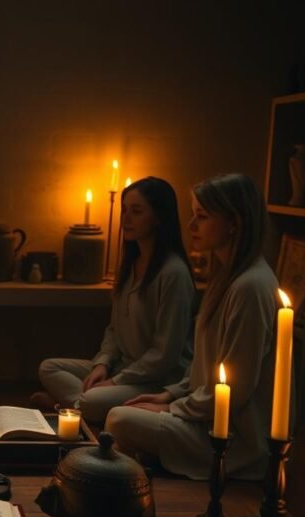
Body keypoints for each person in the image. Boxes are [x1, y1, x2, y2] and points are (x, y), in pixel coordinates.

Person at [105, 173, 277, 480]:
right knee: (125, 415)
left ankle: (157, 459)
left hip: (228, 433)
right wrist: (169, 395)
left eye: (203, 216)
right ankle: (148, 459)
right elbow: (203, 366)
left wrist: (174, 409)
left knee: (118, 418)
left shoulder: (250, 287)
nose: (191, 226)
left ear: (233, 223)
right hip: (202, 411)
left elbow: (235, 388)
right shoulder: (225, 277)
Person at [32, 177, 194, 425]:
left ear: (159, 217)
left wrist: (116, 381)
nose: (126, 218)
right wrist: (102, 365)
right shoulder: (130, 265)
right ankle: (77, 407)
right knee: (49, 368)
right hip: (122, 368)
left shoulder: (173, 273)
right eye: (124, 210)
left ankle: (70, 407)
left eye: (136, 211)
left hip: (154, 379)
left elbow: (165, 355)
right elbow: (114, 330)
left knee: (92, 399)